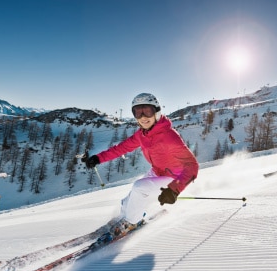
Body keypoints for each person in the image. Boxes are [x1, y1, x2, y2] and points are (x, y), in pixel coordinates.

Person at [83, 93, 199, 233]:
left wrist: (175, 189)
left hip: (174, 177)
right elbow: (122, 148)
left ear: (156, 112)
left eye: (147, 111)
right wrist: (98, 158)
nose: (143, 117)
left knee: (139, 188)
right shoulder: (142, 134)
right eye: (138, 112)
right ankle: (126, 216)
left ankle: (131, 222)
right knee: (128, 201)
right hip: (158, 172)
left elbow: (192, 165)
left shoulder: (169, 136)